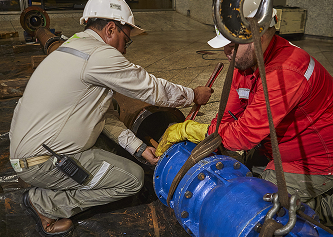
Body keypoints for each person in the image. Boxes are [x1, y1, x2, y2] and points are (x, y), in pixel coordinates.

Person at [9, 0, 213, 236]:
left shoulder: (72, 45)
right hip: (42, 161)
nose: (125, 49)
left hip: (31, 152)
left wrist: (138, 148)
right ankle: (45, 203)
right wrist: (193, 94)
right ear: (110, 29)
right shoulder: (99, 54)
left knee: (113, 116)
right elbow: (150, 88)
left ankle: (58, 182)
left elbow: (102, 115)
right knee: (132, 179)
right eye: (126, 40)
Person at [155, 0, 333, 228]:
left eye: (232, 44)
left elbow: (245, 134)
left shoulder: (286, 69)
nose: (226, 51)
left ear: (260, 34)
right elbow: (226, 117)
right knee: (239, 174)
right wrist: (212, 137)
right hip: (275, 146)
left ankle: (326, 206)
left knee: (261, 207)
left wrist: (192, 129)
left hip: (314, 160)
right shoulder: (244, 63)